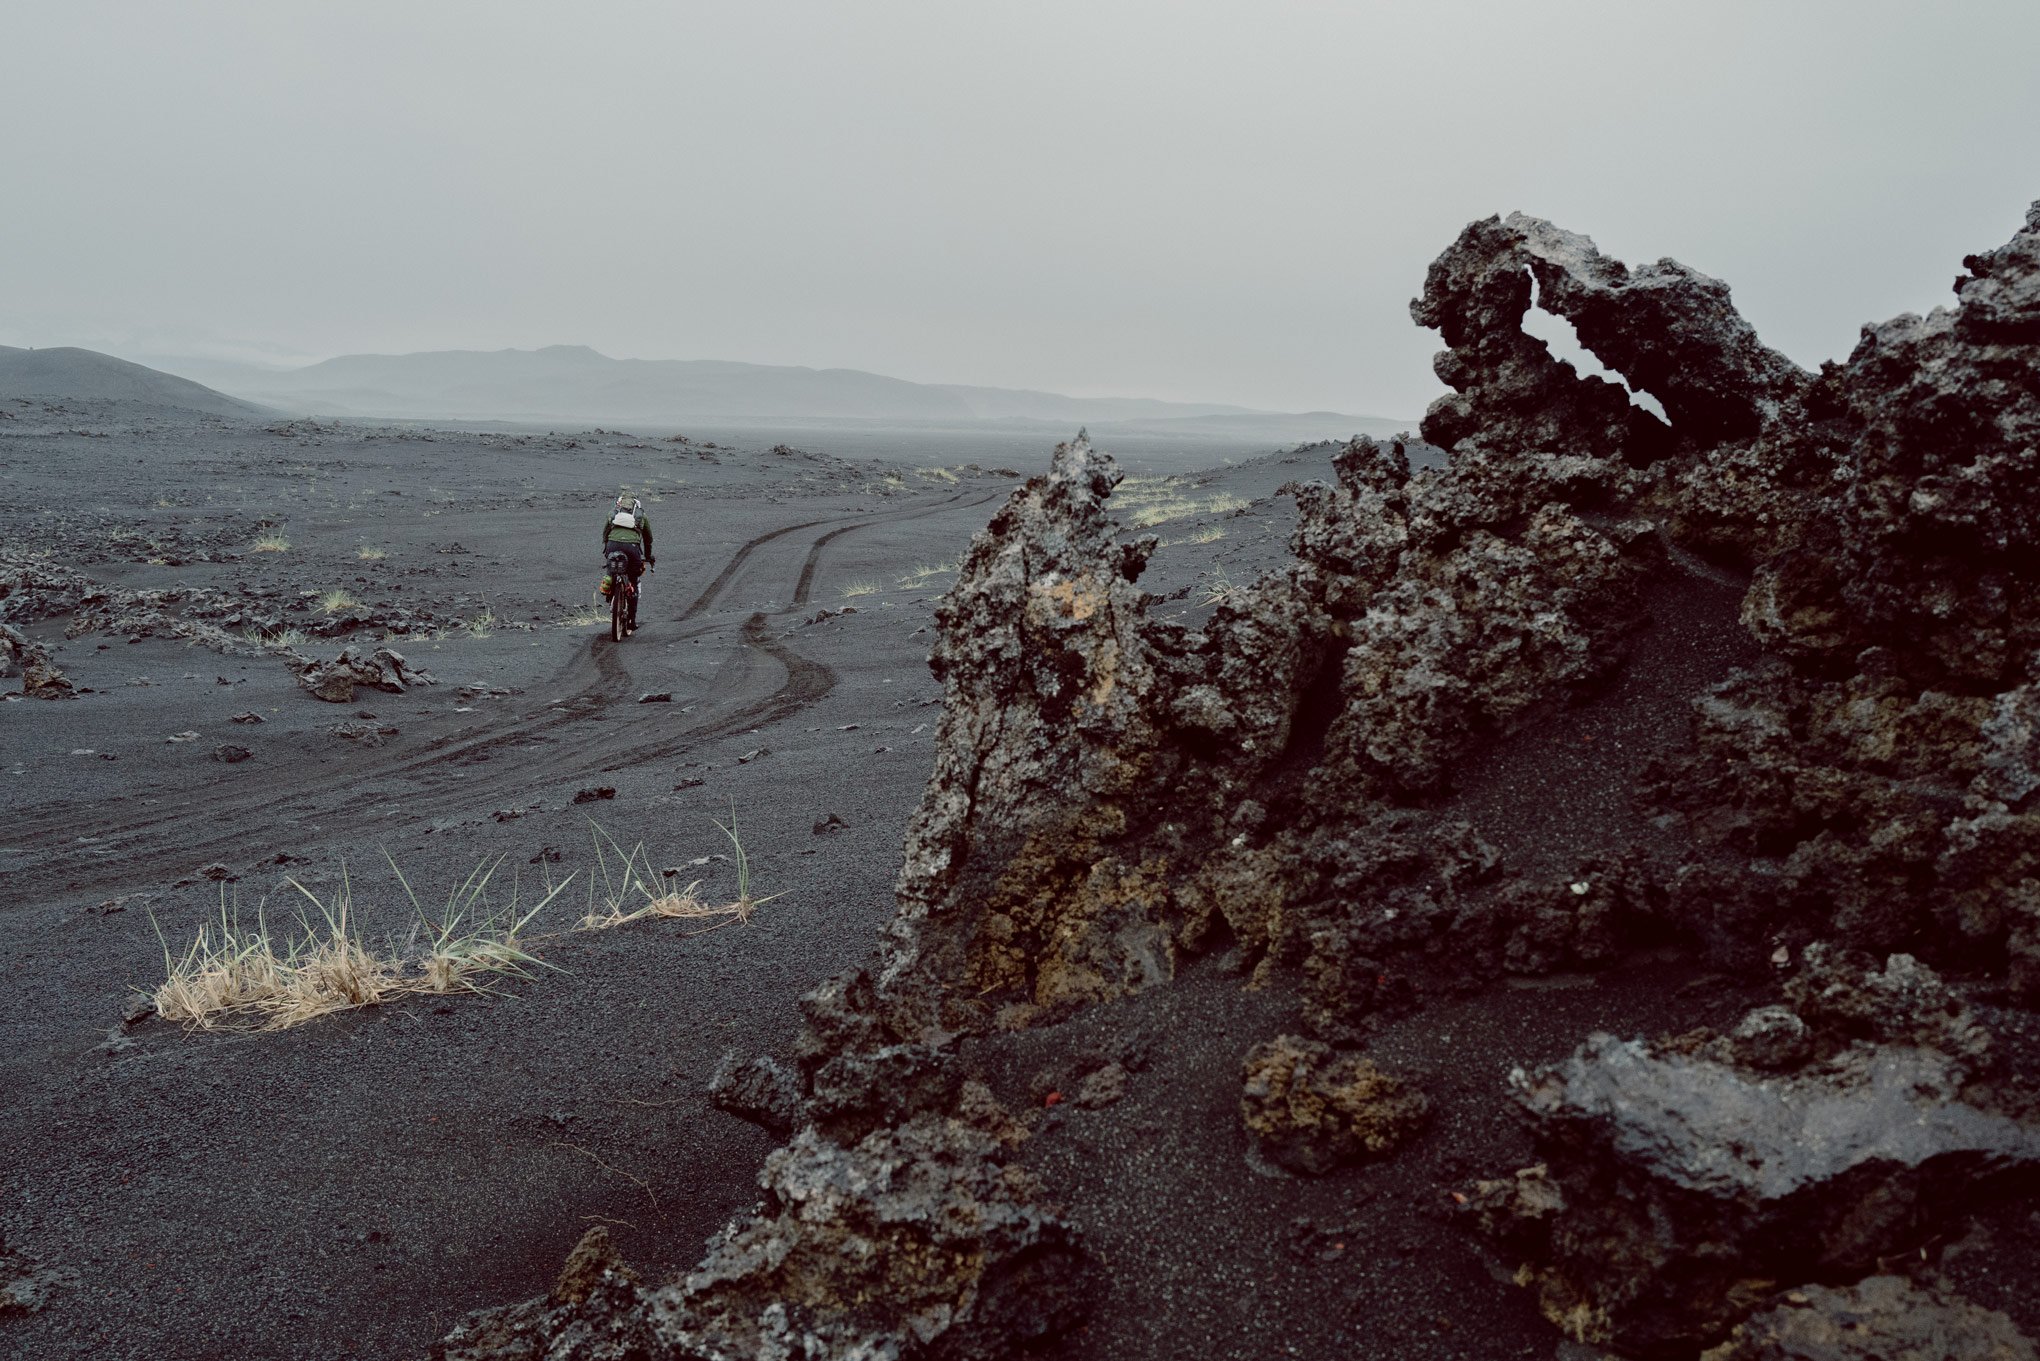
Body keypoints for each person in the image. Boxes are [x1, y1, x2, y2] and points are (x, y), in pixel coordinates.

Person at [601, 493, 655, 632]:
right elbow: (648, 539)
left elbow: (605, 534)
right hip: (632, 549)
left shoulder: (612, 514)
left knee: (612, 568)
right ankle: (631, 620)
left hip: (612, 546)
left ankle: (610, 593)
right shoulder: (641, 516)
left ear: (620, 504)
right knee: (634, 580)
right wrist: (648, 557)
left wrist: (607, 551)